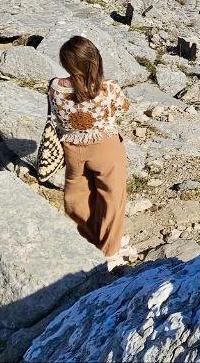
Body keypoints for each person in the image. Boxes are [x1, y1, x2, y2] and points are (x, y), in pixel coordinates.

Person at [48, 35, 135, 269]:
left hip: (73, 148)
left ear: (67, 63)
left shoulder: (55, 87)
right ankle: (110, 251)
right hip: (105, 146)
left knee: (76, 195)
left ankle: (89, 238)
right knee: (112, 197)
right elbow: (123, 108)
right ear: (94, 60)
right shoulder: (108, 89)